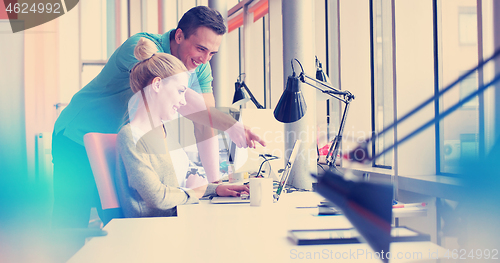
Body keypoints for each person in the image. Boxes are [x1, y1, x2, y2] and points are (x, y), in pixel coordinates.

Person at [52, 6, 265, 228]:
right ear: (180, 35)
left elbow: (205, 123)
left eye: (212, 53)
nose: (205, 59)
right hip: (77, 134)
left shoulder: (200, 66)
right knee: (70, 223)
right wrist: (231, 125)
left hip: (118, 143)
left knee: (111, 221)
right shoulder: (142, 48)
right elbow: (187, 102)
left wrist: (214, 186)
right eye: (201, 48)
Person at [115, 38, 248, 218]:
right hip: (151, 230)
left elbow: (177, 189)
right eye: (180, 91)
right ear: (157, 84)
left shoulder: (163, 131)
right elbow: (157, 196)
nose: (184, 101)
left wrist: (216, 189)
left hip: (175, 219)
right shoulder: (131, 135)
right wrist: (197, 192)